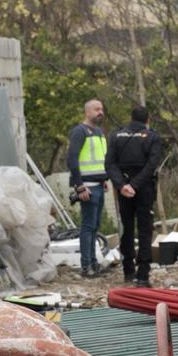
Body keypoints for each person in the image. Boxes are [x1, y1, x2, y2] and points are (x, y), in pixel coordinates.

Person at [107, 106, 163, 285]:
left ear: (131, 119)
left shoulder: (116, 136)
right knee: (145, 229)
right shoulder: (152, 137)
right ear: (148, 120)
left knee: (127, 228)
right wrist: (135, 185)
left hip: (124, 189)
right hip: (143, 187)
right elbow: (151, 165)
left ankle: (128, 270)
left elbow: (109, 164)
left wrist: (122, 185)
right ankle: (143, 274)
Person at [65, 98, 109, 276]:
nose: (100, 112)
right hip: (88, 186)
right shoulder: (79, 132)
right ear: (87, 112)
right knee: (88, 226)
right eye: (96, 109)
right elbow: (72, 159)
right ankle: (86, 266)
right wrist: (80, 186)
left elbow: (101, 159)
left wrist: (104, 178)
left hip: (99, 184)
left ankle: (93, 262)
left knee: (95, 226)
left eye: (101, 109)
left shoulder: (98, 132)